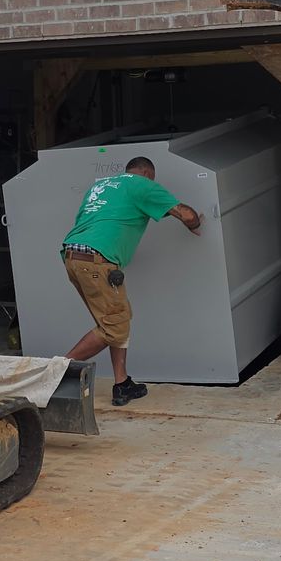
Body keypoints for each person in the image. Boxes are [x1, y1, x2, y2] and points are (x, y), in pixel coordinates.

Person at [60, 156, 202, 406]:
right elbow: (185, 214)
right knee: (113, 327)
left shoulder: (101, 186)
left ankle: (122, 383)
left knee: (118, 318)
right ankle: (57, 372)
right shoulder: (141, 184)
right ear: (147, 173)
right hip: (97, 260)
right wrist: (195, 223)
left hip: (75, 257)